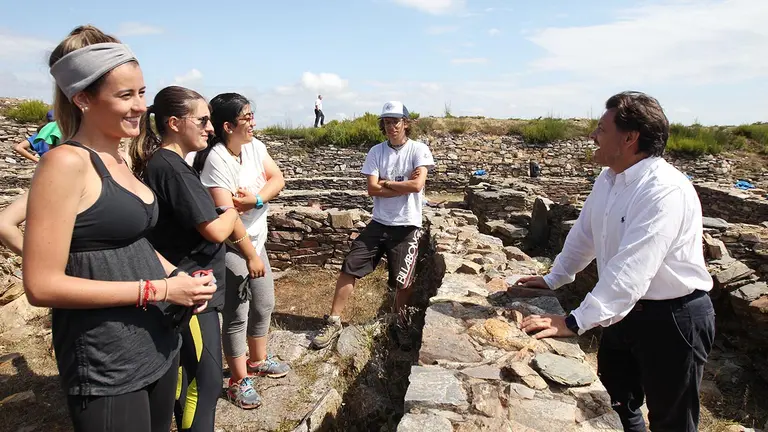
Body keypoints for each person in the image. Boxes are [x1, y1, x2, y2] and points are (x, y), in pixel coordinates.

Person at [22, 25, 216, 432]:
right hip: (107, 357)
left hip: (155, 343)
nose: (140, 107)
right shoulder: (66, 163)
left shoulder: (120, 160)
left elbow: (132, 244)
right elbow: (42, 285)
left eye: (142, 93)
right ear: (83, 99)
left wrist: (180, 279)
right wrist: (160, 290)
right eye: (125, 96)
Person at [517, 91, 715, 432]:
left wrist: (575, 322)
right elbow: (586, 234)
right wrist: (556, 277)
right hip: (624, 313)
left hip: (672, 319)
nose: (593, 136)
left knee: (672, 422)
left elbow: (633, 268)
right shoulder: (608, 179)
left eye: (600, 128)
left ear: (629, 137)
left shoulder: (664, 190)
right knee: (617, 403)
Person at [129, 85, 264, 430]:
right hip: (192, 295)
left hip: (184, 288)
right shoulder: (174, 170)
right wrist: (232, 211)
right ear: (174, 123)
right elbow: (216, 231)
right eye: (202, 120)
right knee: (203, 382)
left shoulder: (163, 163)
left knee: (180, 376)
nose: (210, 127)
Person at [311, 101, 435, 351]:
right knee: (350, 266)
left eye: (396, 121)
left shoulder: (418, 150)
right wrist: (398, 185)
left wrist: (386, 184)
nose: (391, 127)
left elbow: (417, 186)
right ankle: (334, 321)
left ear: (406, 123)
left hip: (406, 226)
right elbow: (371, 189)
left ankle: (399, 322)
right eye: (387, 122)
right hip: (379, 223)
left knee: (403, 281)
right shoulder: (376, 151)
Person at [193, 92, 289, 409]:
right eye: (247, 117)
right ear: (227, 126)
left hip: (255, 241)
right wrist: (249, 255)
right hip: (232, 247)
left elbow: (278, 178)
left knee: (264, 304)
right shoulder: (216, 161)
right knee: (237, 314)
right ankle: (237, 381)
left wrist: (255, 199)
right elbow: (226, 217)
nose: (253, 122)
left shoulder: (253, 147)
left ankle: (257, 360)